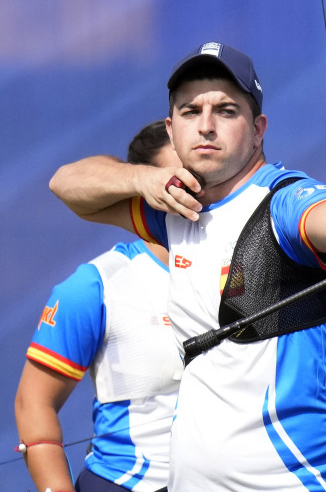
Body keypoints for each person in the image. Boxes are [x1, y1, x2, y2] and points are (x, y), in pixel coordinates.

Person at [49, 42, 326, 491]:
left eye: (226, 111)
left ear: (258, 130)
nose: (207, 126)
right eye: (191, 112)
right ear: (171, 130)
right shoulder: (176, 211)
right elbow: (66, 184)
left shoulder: (284, 202)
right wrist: (140, 177)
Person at [16, 120, 183, 492]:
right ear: (144, 192)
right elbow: (34, 402)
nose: (194, 193)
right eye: (176, 181)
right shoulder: (98, 285)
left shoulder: (251, 266)